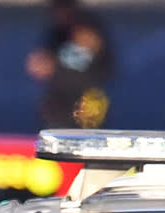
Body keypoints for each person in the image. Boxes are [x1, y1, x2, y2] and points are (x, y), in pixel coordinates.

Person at [25, 0, 114, 129]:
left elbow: (106, 68)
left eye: (62, 8)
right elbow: (43, 64)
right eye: (55, 9)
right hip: (59, 104)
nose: (58, 13)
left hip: (87, 102)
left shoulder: (90, 29)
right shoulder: (55, 34)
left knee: (87, 136)